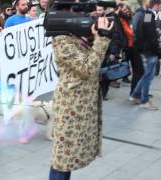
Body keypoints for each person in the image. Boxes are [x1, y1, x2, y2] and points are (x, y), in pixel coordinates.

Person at [49, 9, 113, 180]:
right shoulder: (61, 40)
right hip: (71, 106)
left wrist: (97, 35)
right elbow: (87, 68)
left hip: (82, 106)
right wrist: (102, 39)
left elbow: (95, 59)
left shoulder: (77, 37)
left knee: (67, 160)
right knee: (61, 160)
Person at [130, 0, 161, 110]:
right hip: (150, 50)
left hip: (145, 49)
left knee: (147, 74)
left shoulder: (147, 15)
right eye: (160, 6)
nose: (160, 8)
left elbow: (141, 32)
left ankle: (136, 94)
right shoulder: (150, 15)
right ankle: (144, 100)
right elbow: (152, 37)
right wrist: (160, 55)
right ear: (156, 5)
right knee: (148, 76)